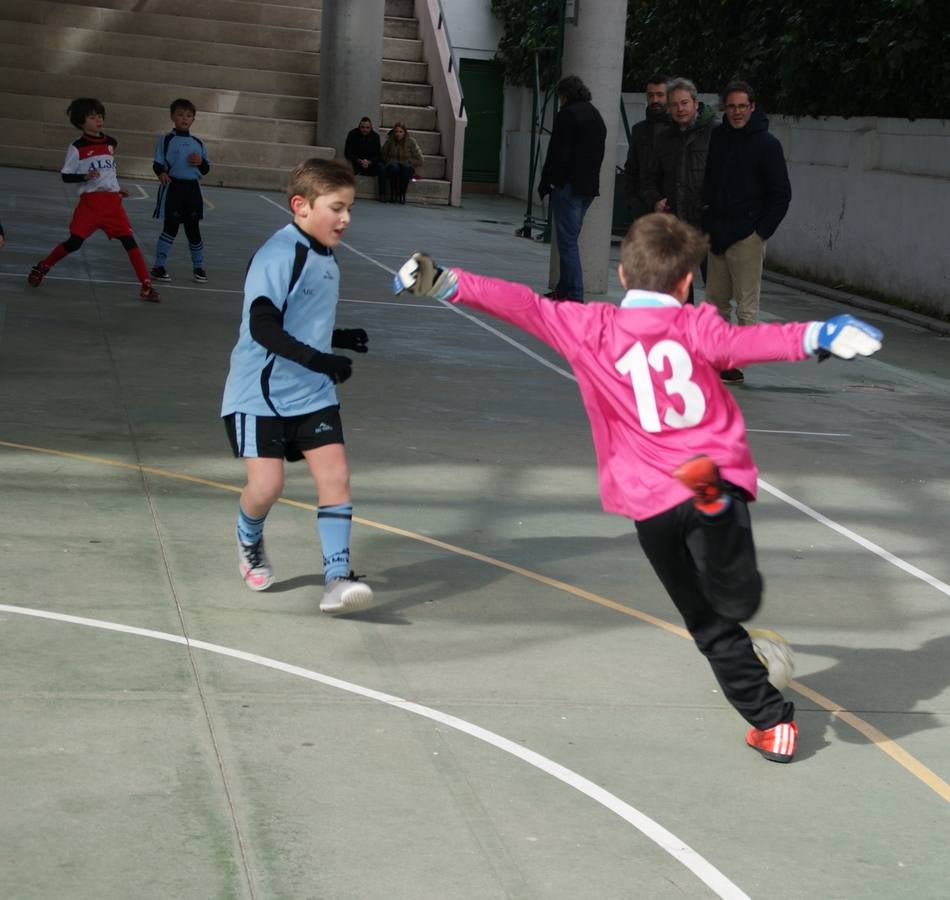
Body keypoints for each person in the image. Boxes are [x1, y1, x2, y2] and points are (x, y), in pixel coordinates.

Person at [393, 214, 883, 763]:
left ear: (623, 275)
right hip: (712, 476)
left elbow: (521, 304)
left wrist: (445, 281)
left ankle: (773, 725)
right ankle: (723, 539)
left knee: (708, 622)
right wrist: (819, 336)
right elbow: (751, 342)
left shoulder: (589, 326)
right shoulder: (698, 326)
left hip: (651, 500)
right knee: (728, 583)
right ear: (686, 283)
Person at [221, 158, 375, 615]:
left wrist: (337, 338)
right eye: (336, 208)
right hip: (260, 392)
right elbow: (263, 327)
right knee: (267, 485)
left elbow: (301, 321)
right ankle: (248, 537)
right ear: (301, 205)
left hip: (311, 393)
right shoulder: (279, 254)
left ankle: (336, 579)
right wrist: (320, 359)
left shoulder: (326, 257)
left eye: (349, 209)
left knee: (336, 477)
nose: (346, 219)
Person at [702, 80, 792, 384]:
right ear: (724, 108)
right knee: (715, 302)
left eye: (742, 106)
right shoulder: (718, 137)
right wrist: (708, 218)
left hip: (747, 236)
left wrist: (760, 232)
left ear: (752, 107)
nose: (737, 112)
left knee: (746, 306)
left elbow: (781, 194)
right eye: (732, 107)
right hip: (718, 232)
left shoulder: (767, 145)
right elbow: (710, 180)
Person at [27, 98, 159, 302]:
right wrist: (85, 176)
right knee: (74, 243)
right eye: (92, 117)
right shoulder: (77, 147)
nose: (98, 120)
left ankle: (146, 285)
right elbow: (66, 176)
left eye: (99, 116)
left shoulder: (111, 143)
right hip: (90, 205)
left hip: (112, 204)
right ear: (81, 122)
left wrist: (116, 188)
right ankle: (43, 266)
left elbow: (108, 172)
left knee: (129, 242)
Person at [638, 77, 716, 305]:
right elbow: (648, 178)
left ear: (695, 103)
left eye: (684, 103)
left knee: (716, 293)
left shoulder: (715, 132)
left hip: (708, 224)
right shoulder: (664, 138)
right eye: (674, 104)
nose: (680, 109)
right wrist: (656, 200)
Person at [538, 74, 607, 303]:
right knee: (570, 238)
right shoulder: (595, 115)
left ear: (564, 95)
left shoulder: (567, 115)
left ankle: (575, 294)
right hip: (588, 187)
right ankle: (564, 288)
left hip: (568, 186)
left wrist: (547, 182)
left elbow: (557, 152)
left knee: (567, 242)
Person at [150, 98, 211, 283]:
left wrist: (200, 162)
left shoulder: (198, 142)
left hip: (192, 190)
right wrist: (161, 173)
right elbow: (157, 163)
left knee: (193, 229)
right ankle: (158, 267)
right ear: (172, 117)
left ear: (193, 119)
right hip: (173, 187)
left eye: (188, 116)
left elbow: (206, 169)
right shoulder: (166, 139)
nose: (184, 119)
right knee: (170, 228)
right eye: (180, 115)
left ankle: (198, 267)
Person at [622, 74, 671, 221]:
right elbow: (631, 168)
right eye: (651, 95)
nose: (655, 100)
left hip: (673, 208)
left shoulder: (680, 129)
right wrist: (632, 202)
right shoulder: (639, 130)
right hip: (643, 209)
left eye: (660, 95)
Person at [380, 122, 423, 204]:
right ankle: (393, 194)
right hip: (392, 166)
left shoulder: (411, 142)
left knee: (405, 168)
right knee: (394, 167)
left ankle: (402, 195)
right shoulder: (390, 141)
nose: (398, 134)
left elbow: (420, 159)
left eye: (400, 132)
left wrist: (409, 162)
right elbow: (382, 155)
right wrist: (390, 161)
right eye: (396, 131)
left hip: (406, 167)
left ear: (404, 132)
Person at [344, 116, 383, 198]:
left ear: (371, 128)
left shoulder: (375, 136)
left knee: (381, 167)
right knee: (346, 167)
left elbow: (378, 155)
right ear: (359, 126)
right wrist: (359, 161)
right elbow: (347, 153)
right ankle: (346, 194)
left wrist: (370, 162)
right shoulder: (352, 134)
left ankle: (382, 195)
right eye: (362, 127)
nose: (365, 129)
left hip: (370, 165)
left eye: (367, 127)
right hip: (356, 163)